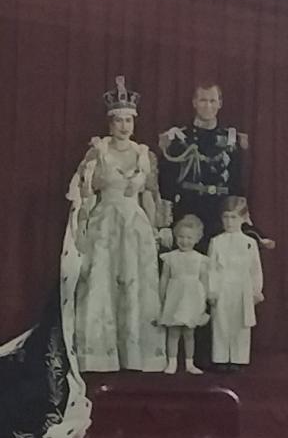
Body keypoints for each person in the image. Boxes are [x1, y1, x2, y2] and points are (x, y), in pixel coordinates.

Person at [64, 77, 166, 373]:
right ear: (110, 123)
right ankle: (99, 355)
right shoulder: (99, 152)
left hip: (135, 226)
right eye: (119, 120)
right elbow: (84, 194)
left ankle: (136, 353)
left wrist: (156, 229)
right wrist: (80, 228)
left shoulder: (144, 155)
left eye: (129, 120)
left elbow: (150, 195)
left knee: (136, 285)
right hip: (105, 225)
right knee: (101, 283)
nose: (124, 126)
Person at [157, 82, 274, 250]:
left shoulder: (232, 140)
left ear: (220, 103)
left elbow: (237, 184)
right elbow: (166, 184)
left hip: (220, 213)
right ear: (194, 103)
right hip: (188, 209)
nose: (208, 106)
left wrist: (243, 219)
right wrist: (165, 225)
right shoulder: (180, 138)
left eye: (212, 101)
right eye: (203, 100)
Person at [207, 197, 264, 368]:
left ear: (243, 218)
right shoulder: (216, 242)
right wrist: (212, 290)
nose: (229, 222)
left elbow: (255, 269)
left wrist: (256, 290)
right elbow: (211, 268)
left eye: (234, 217)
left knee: (241, 324)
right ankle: (220, 358)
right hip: (223, 287)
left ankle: (239, 358)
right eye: (226, 217)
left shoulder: (250, 243)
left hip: (242, 287)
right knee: (221, 322)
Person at [158, 214, 210, 374]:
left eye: (189, 238)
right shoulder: (170, 257)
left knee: (189, 333)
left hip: (192, 298)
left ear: (196, 239)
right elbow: (164, 278)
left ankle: (189, 363)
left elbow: (204, 281)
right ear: (175, 237)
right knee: (173, 332)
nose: (184, 241)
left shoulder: (200, 259)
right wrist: (162, 297)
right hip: (175, 297)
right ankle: (172, 362)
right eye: (181, 237)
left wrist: (205, 300)